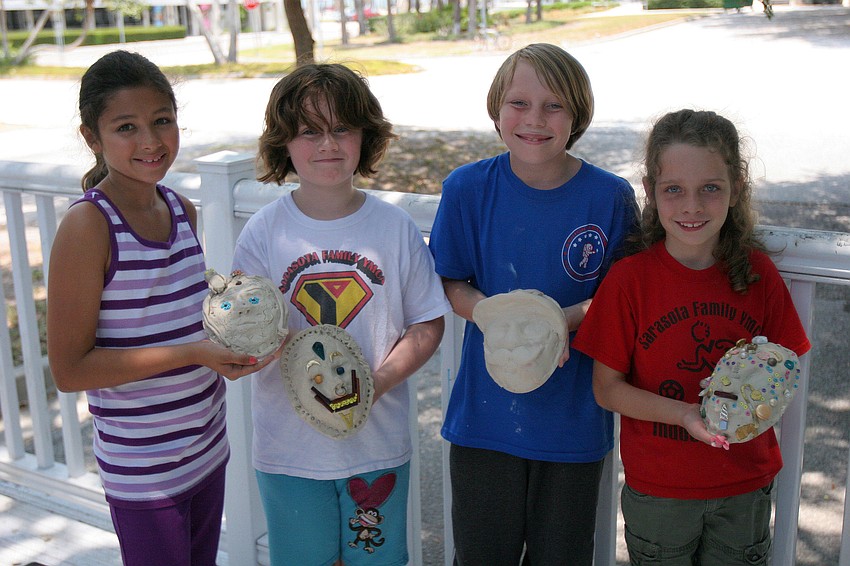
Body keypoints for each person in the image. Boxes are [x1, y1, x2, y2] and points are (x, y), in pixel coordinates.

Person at [46, 50, 274, 566]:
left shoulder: (179, 208)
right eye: (126, 127)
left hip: (207, 448)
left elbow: (176, 317)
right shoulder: (89, 227)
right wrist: (194, 353)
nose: (150, 141)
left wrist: (232, 333)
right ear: (92, 137)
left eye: (162, 121)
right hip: (144, 474)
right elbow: (69, 368)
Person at [231, 63, 451, 566]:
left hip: (375, 450)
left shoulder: (393, 228)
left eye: (341, 128)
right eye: (309, 131)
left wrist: (376, 382)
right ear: (283, 143)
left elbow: (427, 322)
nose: (327, 144)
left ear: (364, 137)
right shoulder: (264, 233)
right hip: (289, 450)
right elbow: (249, 331)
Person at [428, 43, 639, 565]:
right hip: (484, 421)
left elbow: (623, 295)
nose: (534, 120)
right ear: (497, 109)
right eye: (519, 103)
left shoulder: (609, 198)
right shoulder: (467, 189)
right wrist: (496, 317)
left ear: (578, 115)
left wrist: (555, 323)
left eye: (554, 105)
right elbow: (449, 281)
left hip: (572, 421)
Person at [572, 109, 812, 565]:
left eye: (710, 189)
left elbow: (787, 362)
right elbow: (606, 389)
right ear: (651, 192)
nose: (692, 206)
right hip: (661, 493)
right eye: (674, 190)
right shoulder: (629, 281)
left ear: (736, 189)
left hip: (745, 489)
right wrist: (686, 414)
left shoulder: (757, 273)